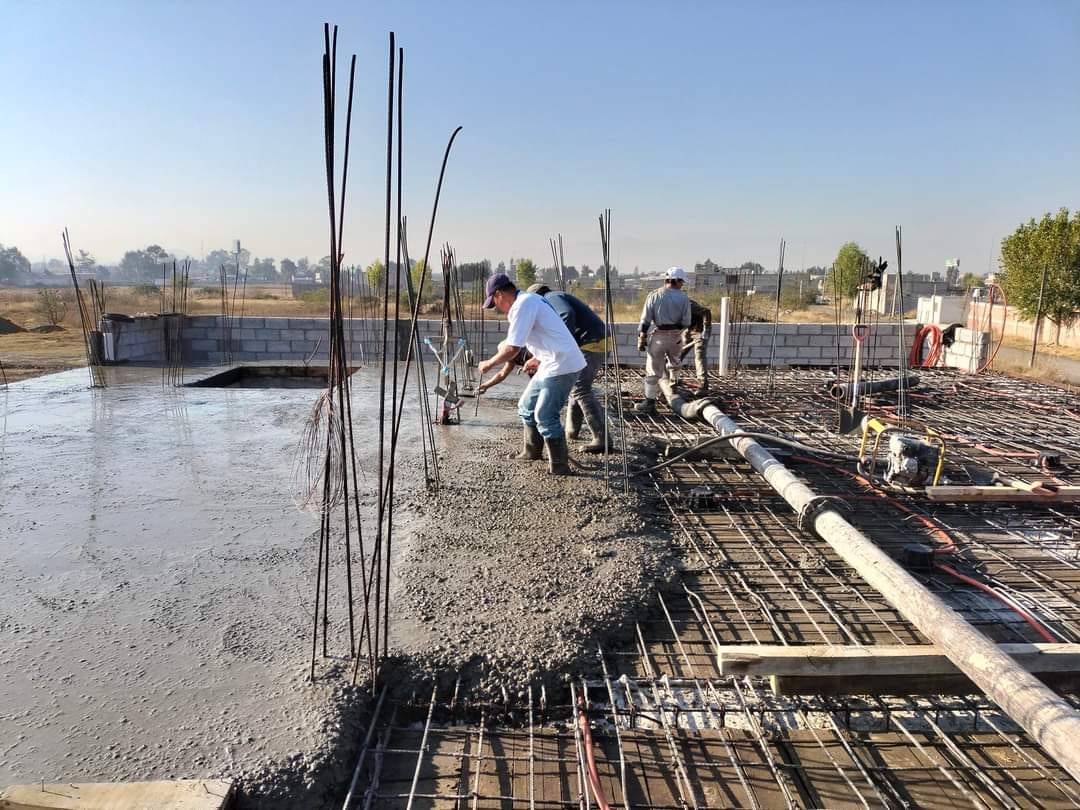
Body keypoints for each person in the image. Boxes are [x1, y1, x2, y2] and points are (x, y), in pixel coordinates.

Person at [480, 284, 614, 453]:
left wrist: (563, 343)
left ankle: (601, 439)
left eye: (495, 302)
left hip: (589, 343)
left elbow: (566, 315)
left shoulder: (549, 298)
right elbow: (504, 370)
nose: (498, 308)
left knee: (578, 391)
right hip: (590, 343)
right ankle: (571, 433)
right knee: (572, 391)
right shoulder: (539, 302)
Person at [477, 273, 585, 475]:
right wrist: (537, 357)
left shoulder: (524, 303)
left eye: (494, 302)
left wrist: (489, 363)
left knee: (544, 415)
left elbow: (512, 349)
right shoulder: (528, 302)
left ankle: (560, 466)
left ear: (500, 294)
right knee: (526, 406)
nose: (497, 307)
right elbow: (544, 334)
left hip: (563, 364)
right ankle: (531, 451)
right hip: (550, 362)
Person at [635, 267, 691, 414]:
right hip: (676, 338)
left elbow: (645, 319)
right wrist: (674, 329)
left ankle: (650, 403)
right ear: (677, 281)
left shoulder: (654, 295)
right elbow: (686, 322)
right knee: (675, 363)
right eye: (682, 282)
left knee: (653, 371)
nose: (682, 285)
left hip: (658, 337)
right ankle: (673, 388)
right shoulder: (684, 298)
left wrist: (642, 337)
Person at [679, 299, 713, 393]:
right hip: (689, 329)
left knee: (699, 356)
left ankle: (703, 385)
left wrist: (705, 330)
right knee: (678, 354)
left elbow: (706, 311)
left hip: (701, 330)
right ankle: (673, 378)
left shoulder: (687, 305)